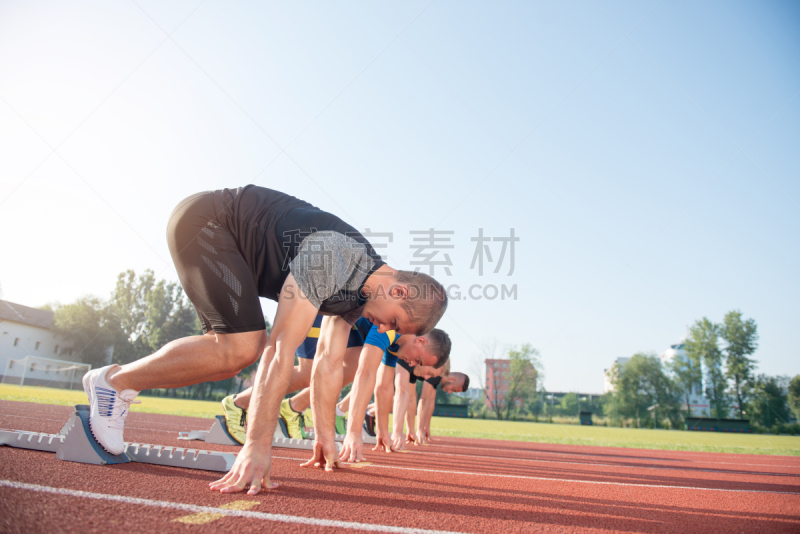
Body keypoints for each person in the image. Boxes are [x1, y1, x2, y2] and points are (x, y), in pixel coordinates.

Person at [81, 185, 447, 495]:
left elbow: (328, 362)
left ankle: (114, 382)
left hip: (237, 254)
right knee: (243, 347)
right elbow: (280, 349)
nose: (384, 332)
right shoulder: (335, 258)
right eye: (394, 323)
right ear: (398, 291)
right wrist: (257, 444)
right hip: (208, 223)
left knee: (236, 348)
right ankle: (114, 384)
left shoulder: (358, 296)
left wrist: (324, 437)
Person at [222, 314, 371, 442]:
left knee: (356, 365)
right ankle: (238, 402)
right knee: (307, 372)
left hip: (348, 310)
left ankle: (295, 406)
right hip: (324, 301)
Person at [339, 326, 451, 462]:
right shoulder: (391, 330)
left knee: (351, 367)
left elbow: (383, 388)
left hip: (352, 322)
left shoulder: (395, 347)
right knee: (324, 368)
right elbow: (366, 372)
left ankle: (336, 412)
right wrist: (353, 432)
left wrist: (382, 431)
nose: (412, 363)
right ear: (421, 341)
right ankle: (334, 413)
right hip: (340, 311)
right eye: (419, 360)